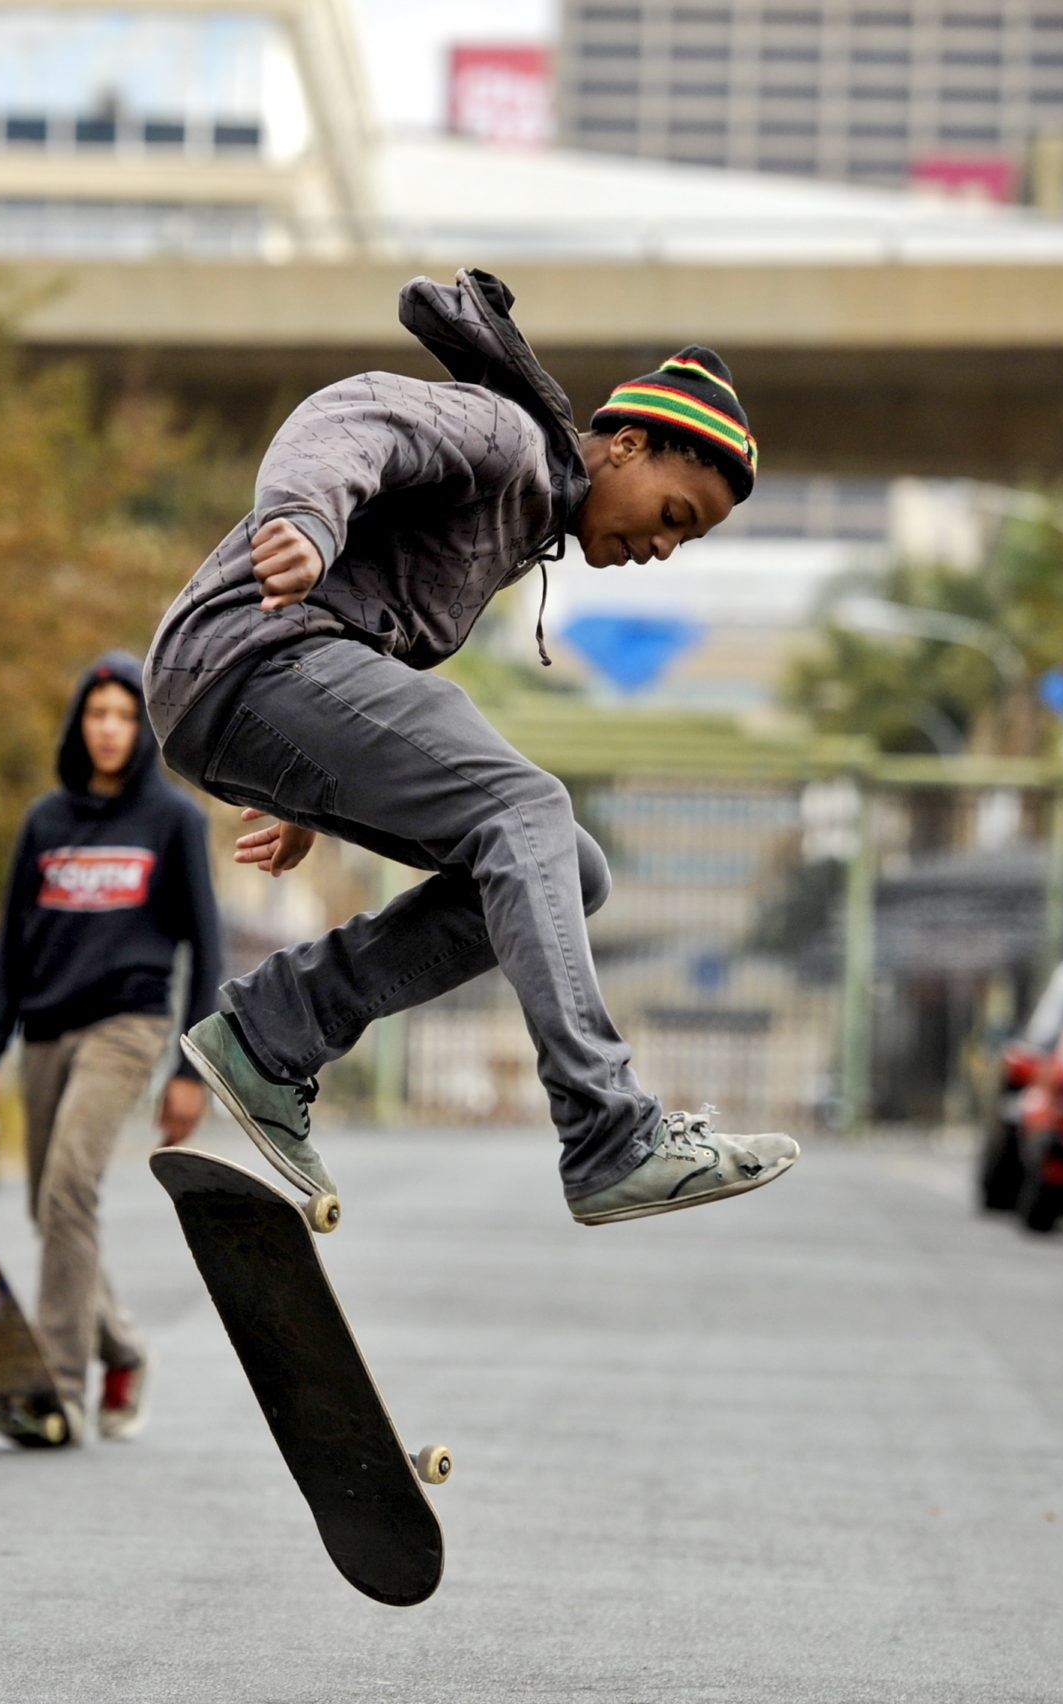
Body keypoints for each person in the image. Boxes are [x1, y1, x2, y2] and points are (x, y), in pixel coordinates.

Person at [145, 269, 799, 1227]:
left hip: (259, 689)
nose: (665, 546)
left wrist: (304, 787)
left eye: (685, 541)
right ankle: (610, 1133)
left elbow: (376, 621)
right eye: (672, 514)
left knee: (565, 868)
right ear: (627, 442)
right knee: (528, 809)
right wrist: (306, 519)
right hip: (249, 652)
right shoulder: (507, 442)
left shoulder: (524, 521)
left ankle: (275, 1033)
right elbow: (349, 418)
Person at [0, 653, 220, 1442]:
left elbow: (206, 951)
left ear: (141, 728)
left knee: (70, 1185)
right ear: (80, 724)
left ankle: (60, 1388)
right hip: (45, 1031)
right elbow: (9, 948)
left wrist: (191, 1069)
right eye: (96, 715)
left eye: (123, 716)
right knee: (52, 1206)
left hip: (127, 1026)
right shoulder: (45, 822)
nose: (109, 730)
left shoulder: (174, 821)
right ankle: (123, 1347)